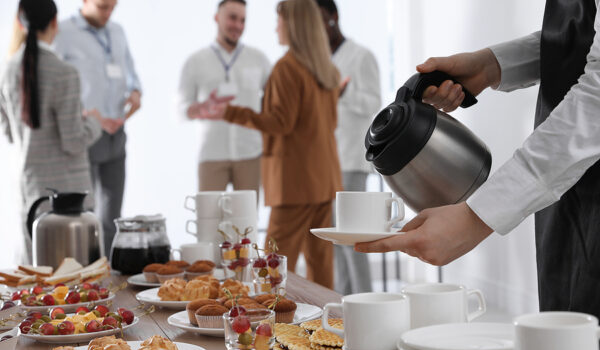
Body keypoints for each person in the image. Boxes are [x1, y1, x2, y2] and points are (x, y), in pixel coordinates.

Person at [356, 0, 600, 318]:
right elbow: (580, 36)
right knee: (565, 338)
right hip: (566, 189)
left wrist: (478, 216)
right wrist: (490, 65)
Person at [198, 0, 343, 289]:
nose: (276, 26)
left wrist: (230, 112)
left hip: (295, 181)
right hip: (324, 178)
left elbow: (280, 123)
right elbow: (331, 122)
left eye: (280, 21)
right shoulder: (326, 69)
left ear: (294, 25)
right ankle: (328, 326)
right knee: (320, 263)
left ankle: (270, 324)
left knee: (272, 264)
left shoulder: (288, 67)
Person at [0, 0, 111, 264]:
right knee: (80, 286)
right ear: (54, 23)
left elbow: (10, 133)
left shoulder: (7, 71)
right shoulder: (64, 73)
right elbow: (73, 141)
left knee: (37, 281)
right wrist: (94, 122)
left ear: (21, 22)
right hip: (69, 197)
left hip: (30, 188)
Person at [54, 0, 142, 257]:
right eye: (103, 6)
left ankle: (110, 274)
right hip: (86, 133)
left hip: (116, 134)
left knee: (113, 215)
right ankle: (84, 274)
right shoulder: (63, 32)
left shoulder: (117, 31)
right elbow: (56, 86)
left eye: (113, 7)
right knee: (85, 214)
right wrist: (85, 114)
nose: (108, 13)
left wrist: (136, 92)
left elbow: (131, 72)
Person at [316, 0, 382, 295]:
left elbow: (374, 103)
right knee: (336, 244)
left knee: (355, 243)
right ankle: (343, 308)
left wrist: (344, 92)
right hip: (325, 161)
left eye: (319, 20)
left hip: (351, 161)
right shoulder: (317, 60)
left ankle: (366, 303)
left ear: (333, 17)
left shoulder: (361, 56)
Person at [178, 0, 271, 193]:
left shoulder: (259, 59)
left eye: (243, 20)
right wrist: (199, 108)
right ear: (216, 18)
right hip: (212, 154)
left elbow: (273, 103)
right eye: (232, 18)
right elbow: (181, 109)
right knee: (209, 220)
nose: (238, 25)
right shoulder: (196, 61)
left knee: (247, 221)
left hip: (250, 153)